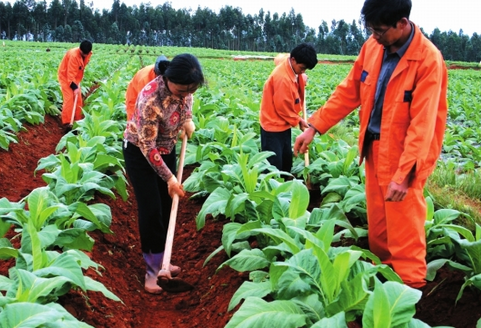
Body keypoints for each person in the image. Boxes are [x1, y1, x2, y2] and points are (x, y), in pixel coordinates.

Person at [294, 0, 448, 289]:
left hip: (405, 157)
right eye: (370, 28)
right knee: (378, 228)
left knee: (404, 232)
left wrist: (405, 176)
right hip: (374, 150)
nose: (374, 35)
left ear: (402, 23)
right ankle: (382, 284)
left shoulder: (428, 60)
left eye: (379, 29)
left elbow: (423, 125)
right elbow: (349, 90)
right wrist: (314, 126)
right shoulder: (373, 47)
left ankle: (407, 296)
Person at [122, 53, 205, 294]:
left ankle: (164, 262)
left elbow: (185, 105)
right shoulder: (150, 98)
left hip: (166, 149)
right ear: (168, 79)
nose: (184, 96)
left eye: (189, 92)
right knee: (151, 210)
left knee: (168, 206)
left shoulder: (186, 91)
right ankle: (151, 270)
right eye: (180, 91)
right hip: (141, 153)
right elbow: (148, 147)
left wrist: (187, 120)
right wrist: (169, 178)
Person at [260, 43, 317, 173]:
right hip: (273, 126)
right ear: (293, 60)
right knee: (273, 166)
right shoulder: (282, 79)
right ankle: (271, 191)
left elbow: (279, 58)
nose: (303, 71)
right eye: (302, 68)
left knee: (286, 161)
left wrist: (301, 76)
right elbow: (283, 108)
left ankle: (285, 186)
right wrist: (298, 121)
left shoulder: (290, 63)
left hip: (284, 125)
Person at [57, 40, 93, 129]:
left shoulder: (87, 53)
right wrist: (74, 87)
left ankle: (77, 123)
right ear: (80, 50)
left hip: (75, 78)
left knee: (78, 101)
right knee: (69, 99)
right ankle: (67, 123)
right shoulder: (73, 56)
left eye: (86, 54)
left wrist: (77, 83)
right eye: (83, 53)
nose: (85, 55)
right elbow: (70, 75)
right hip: (66, 77)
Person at [125, 55, 169, 121]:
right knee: (134, 118)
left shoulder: (167, 73)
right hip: (135, 95)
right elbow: (143, 102)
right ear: (155, 71)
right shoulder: (144, 79)